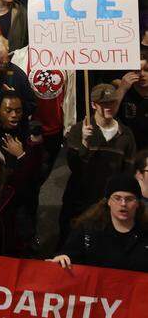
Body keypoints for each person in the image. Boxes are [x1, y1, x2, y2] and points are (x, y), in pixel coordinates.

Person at [62, 84, 138, 236]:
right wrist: (84, 142)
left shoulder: (126, 134)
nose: (109, 107)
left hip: (109, 201)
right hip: (80, 198)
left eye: (112, 102)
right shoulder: (77, 130)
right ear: (93, 105)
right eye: (104, 103)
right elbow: (74, 167)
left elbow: (128, 171)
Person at [52, 174, 148, 272]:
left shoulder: (145, 230)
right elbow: (68, 254)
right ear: (108, 201)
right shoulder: (88, 229)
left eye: (129, 199)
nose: (123, 204)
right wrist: (61, 258)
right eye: (117, 198)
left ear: (137, 203)